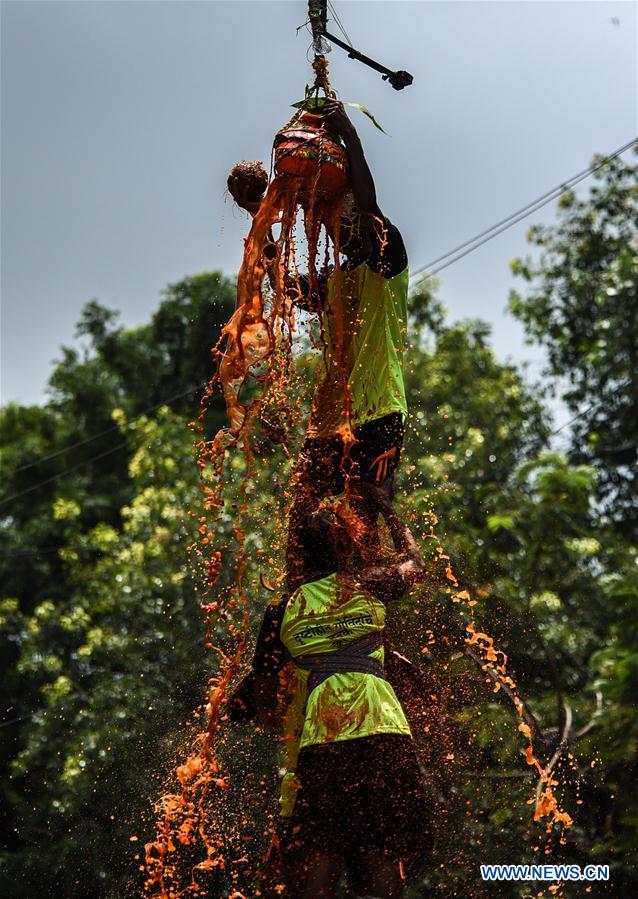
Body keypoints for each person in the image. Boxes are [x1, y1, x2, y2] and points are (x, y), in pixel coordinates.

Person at [231, 483, 430, 898]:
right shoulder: (372, 585)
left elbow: (265, 688)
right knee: (381, 851)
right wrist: (386, 507)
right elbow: (417, 563)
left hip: (323, 739)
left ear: (298, 555)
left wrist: (280, 726)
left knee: (319, 849)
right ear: (350, 545)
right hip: (385, 732)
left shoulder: (281, 610)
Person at [285, 99, 410, 590]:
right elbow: (295, 289)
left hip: (379, 412)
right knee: (303, 519)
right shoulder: (335, 278)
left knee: (363, 524)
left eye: (343, 216)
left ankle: (363, 625)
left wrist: (350, 136)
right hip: (330, 418)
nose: (336, 228)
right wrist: (264, 212)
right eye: (331, 222)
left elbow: (371, 208)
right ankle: (302, 615)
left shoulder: (386, 259)